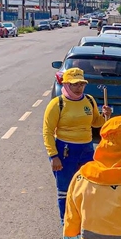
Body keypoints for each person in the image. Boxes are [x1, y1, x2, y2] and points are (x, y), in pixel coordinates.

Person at [42, 67, 112, 223]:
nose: (79, 87)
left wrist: (105, 115)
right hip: (65, 151)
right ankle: (66, 222)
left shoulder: (89, 100)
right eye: (75, 84)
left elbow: (96, 123)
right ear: (66, 84)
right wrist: (53, 156)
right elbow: (47, 132)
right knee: (65, 190)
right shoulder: (57, 104)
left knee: (87, 187)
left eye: (81, 83)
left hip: (86, 150)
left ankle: (83, 220)